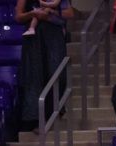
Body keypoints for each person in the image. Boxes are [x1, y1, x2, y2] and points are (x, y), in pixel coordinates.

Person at [16, 0, 70, 130]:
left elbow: (69, 13)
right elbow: (18, 16)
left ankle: (55, 110)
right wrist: (33, 14)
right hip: (34, 37)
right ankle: (37, 120)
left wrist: (52, 12)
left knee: (57, 73)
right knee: (35, 76)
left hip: (54, 34)